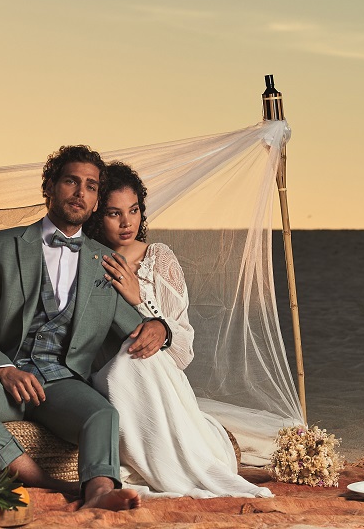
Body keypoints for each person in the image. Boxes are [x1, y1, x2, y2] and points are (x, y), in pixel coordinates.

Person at [0, 146, 173, 511]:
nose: (80, 192)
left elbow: (139, 328)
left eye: (91, 187)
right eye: (71, 181)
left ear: (94, 203)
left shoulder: (104, 262)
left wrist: (161, 328)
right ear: (49, 187)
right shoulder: (0, 246)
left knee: (102, 413)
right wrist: (4, 369)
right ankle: (38, 479)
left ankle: (99, 492)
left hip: (61, 385)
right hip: (3, 382)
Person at [85, 162, 273, 498]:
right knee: (122, 367)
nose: (127, 222)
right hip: (107, 381)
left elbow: (183, 351)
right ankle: (171, 469)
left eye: (134, 210)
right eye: (114, 213)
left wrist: (140, 302)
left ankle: (184, 471)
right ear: (98, 215)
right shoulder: (88, 261)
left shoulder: (159, 259)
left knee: (135, 361)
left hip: (159, 377)